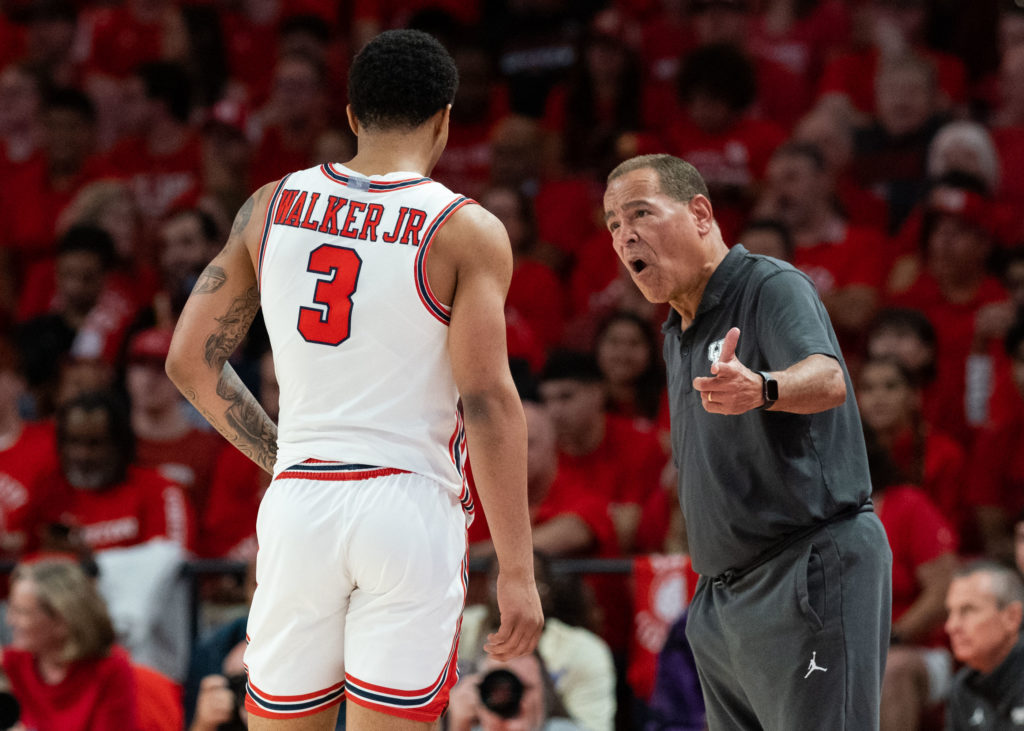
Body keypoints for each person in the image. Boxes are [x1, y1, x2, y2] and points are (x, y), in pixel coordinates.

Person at [165, 29, 543, 730]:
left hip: (301, 499)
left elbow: (189, 359)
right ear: (445, 119)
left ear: (349, 114)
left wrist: (283, 458)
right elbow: (490, 402)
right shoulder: (465, 228)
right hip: (408, 502)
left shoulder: (270, 205)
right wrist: (517, 570)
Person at [603, 153, 892, 730]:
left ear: (701, 214)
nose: (624, 234)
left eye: (639, 213)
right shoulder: (675, 330)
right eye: (612, 224)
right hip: (721, 599)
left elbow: (829, 377)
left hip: (805, 572)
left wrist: (763, 386)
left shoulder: (769, 284)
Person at [2, 558, 140, 731]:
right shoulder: (18, 660)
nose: (9, 620)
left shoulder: (109, 670)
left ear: (62, 620)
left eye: (22, 612)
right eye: (11, 608)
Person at [944, 561, 1024, 731]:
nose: (951, 626)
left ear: (1012, 617)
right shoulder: (962, 686)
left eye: (968, 610)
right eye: (950, 612)